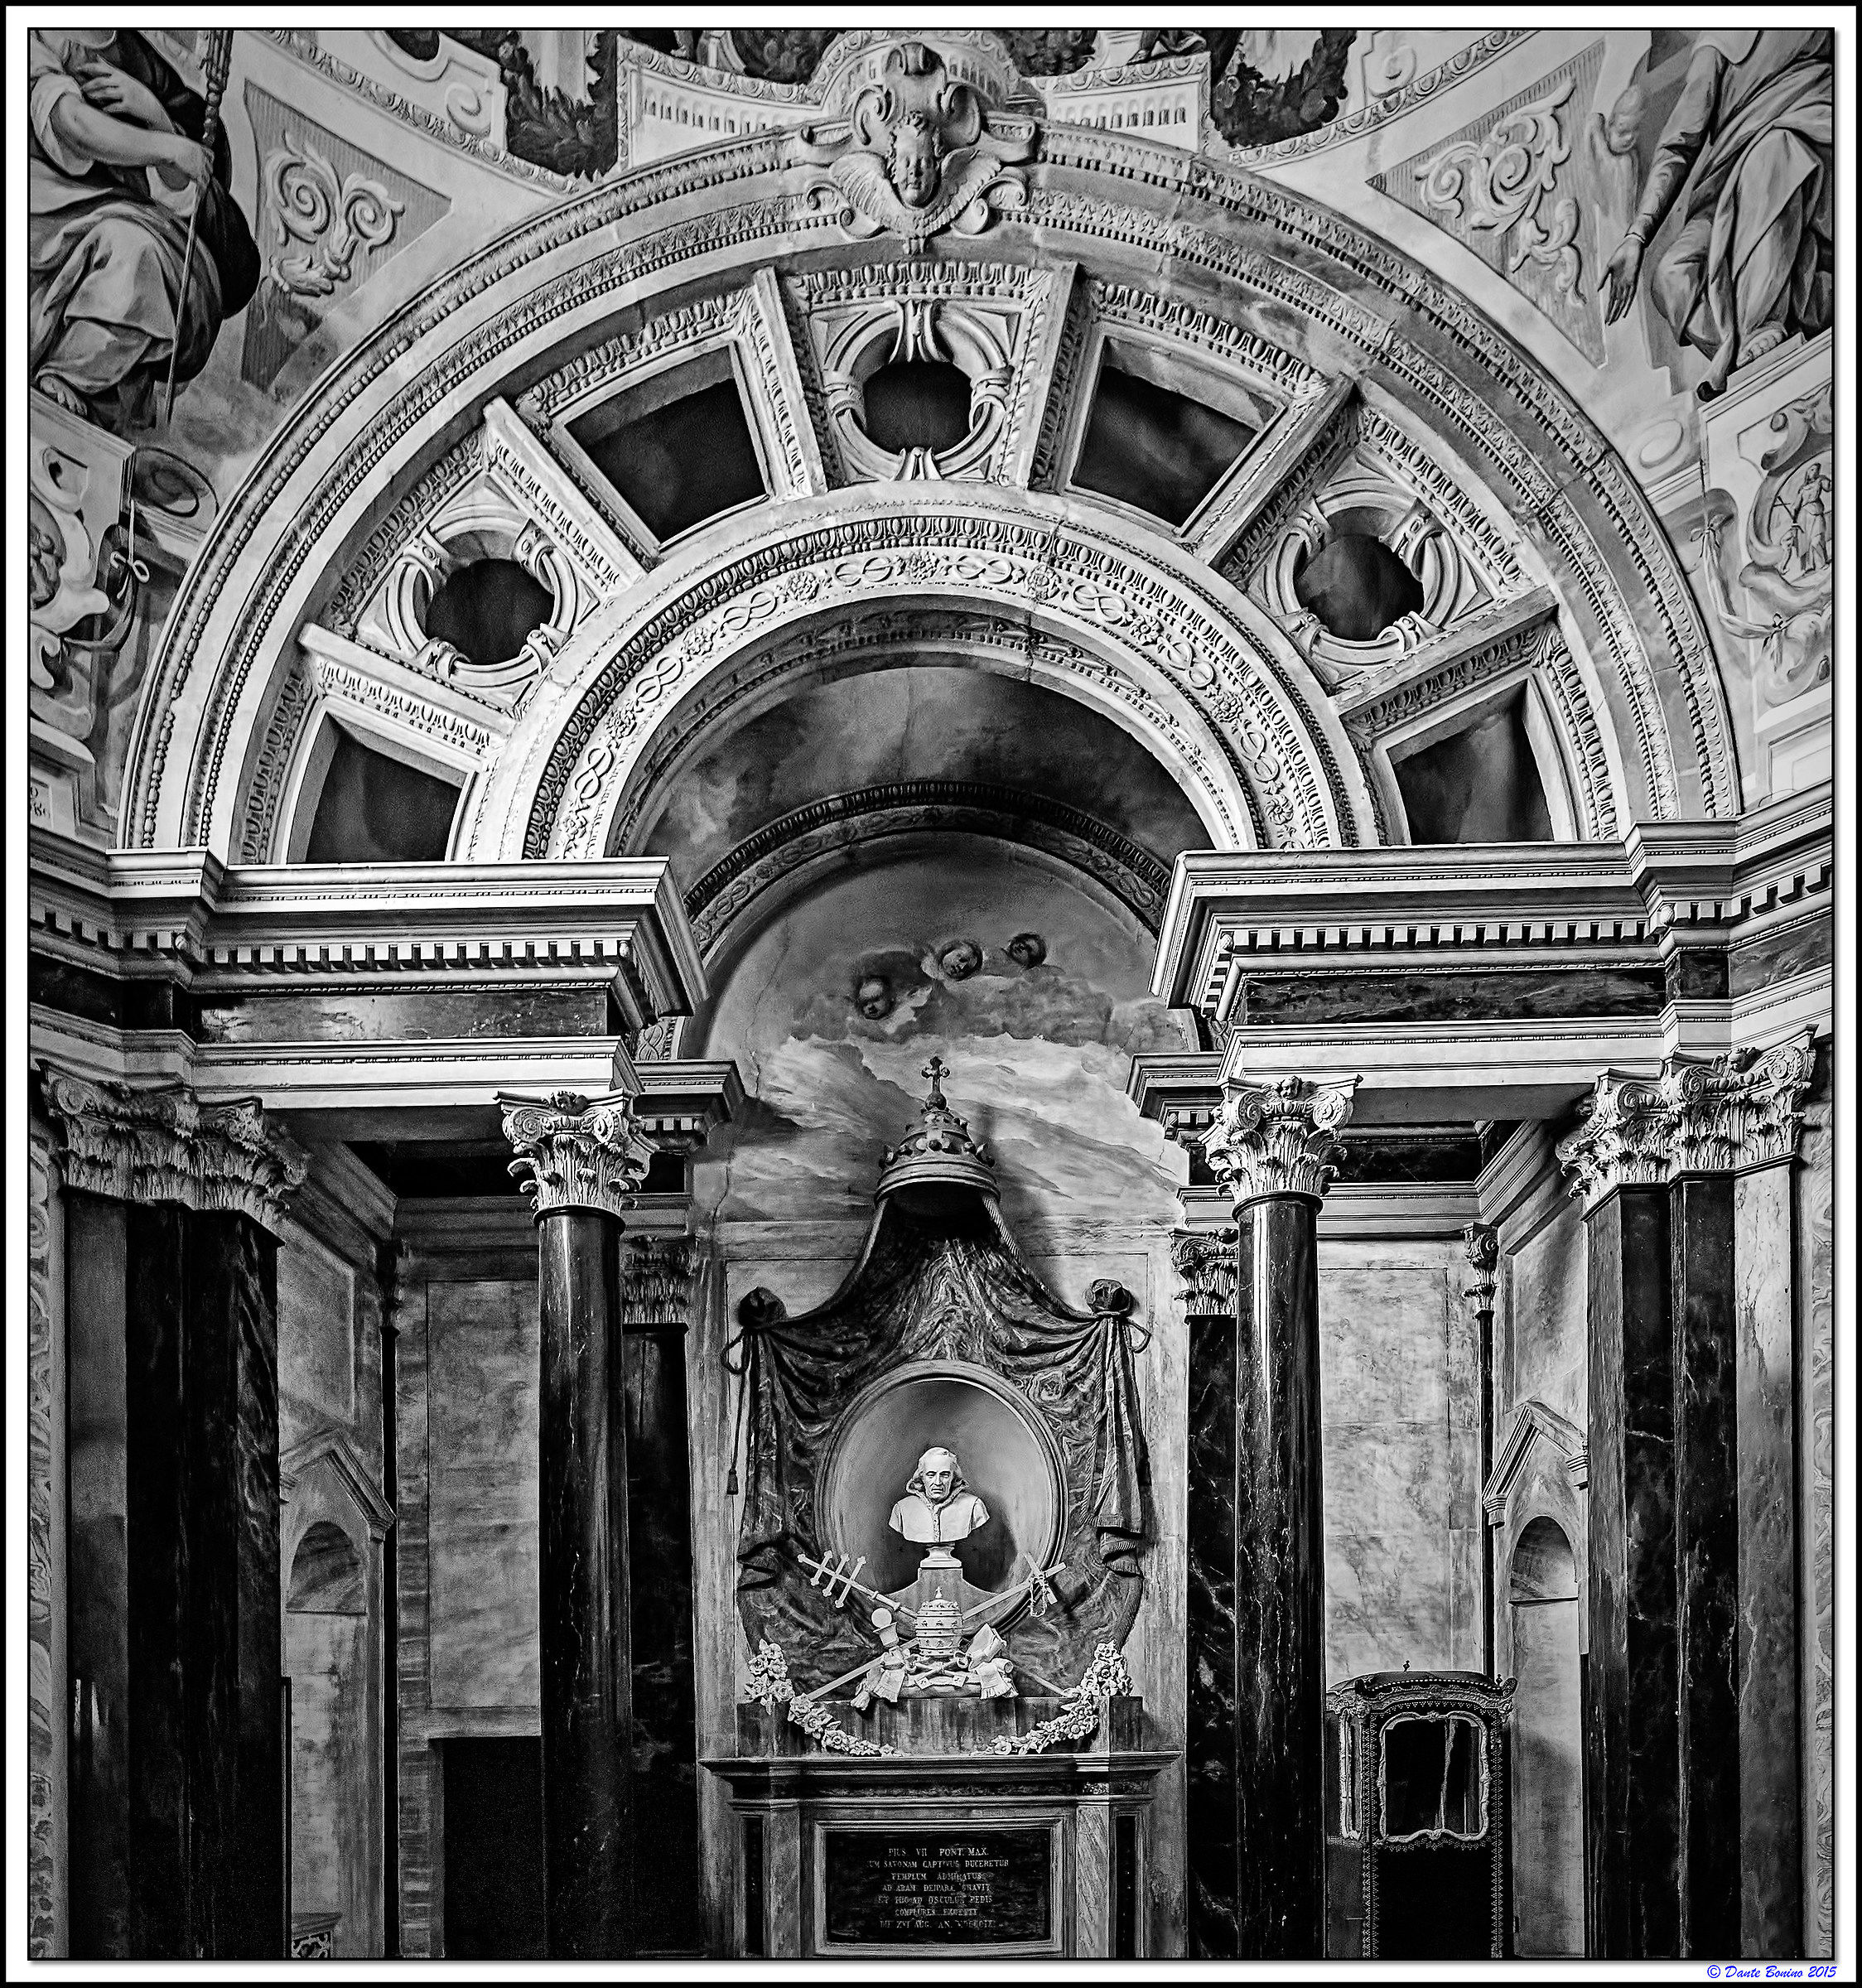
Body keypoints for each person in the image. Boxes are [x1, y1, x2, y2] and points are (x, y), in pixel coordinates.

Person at [30, 28, 258, 433]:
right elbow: (71, 124)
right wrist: (167, 147)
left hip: (107, 220)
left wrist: (153, 113)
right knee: (133, 248)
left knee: (143, 256)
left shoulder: (142, 62)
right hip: (45, 218)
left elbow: (188, 181)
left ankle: (76, 372)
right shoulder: (39, 34)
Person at [1599, 30, 1832, 399]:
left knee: (1772, 157)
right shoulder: (1720, 40)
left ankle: (1762, 326)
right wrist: (1636, 236)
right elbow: (1679, 141)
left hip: (1811, 135)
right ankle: (1736, 347)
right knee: (1671, 275)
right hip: (1727, 183)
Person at [888, 1445, 989, 1546]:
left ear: (953, 1477)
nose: (937, 1482)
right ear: (922, 1477)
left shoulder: (974, 1506)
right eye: (931, 1475)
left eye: (944, 1475)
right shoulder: (902, 1509)